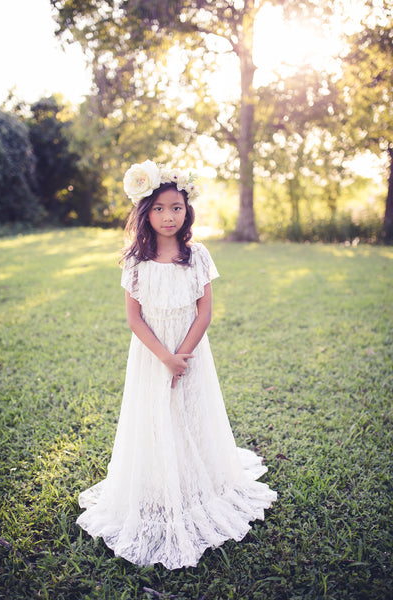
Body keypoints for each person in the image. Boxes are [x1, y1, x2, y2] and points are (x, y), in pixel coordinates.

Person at [76, 160, 277, 569]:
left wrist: (182, 356)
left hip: (191, 353)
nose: (169, 216)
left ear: (187, 212)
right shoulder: (135, 262)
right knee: (155, 417)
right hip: (152, 356)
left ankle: (197, 478)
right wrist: (165, 358)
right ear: (145, 212)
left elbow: (204, 313)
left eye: (177, 208)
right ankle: (157, 481)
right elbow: (134, 319)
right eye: (160, 208)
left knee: (190, 412)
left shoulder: (197, 255)